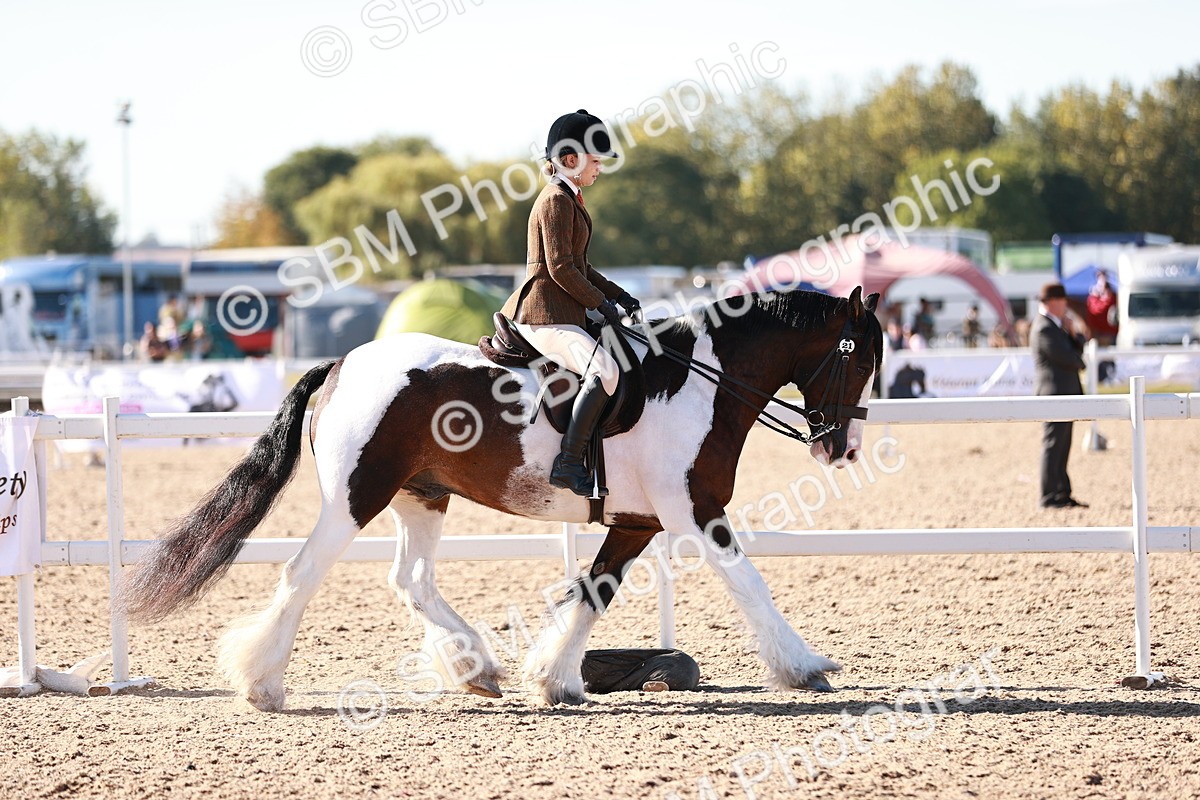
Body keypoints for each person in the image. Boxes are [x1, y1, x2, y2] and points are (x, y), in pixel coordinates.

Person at [499, 109, 641, 496]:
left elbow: (581, 266)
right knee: (606, 371)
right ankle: (568, 461)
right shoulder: (556, 201)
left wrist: (616, 295)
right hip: (544, 314)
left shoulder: (570, 197)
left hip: (562, 312)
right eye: (595, 161)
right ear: (570, 159)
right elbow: (561, 268)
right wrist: (600, 304)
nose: (599, 169)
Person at [1030, 283, 1088, 509]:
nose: (1065, 305)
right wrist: (1079, 359)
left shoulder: (1057, 326)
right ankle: (1048, 495)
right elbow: (1070, 359)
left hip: (1064, 393)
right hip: (1054, 394)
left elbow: (1078, 349)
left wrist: (1072, 333)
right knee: (1054, 444)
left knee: (1063, 444)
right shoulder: (1044, 328)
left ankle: (1061, 491)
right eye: (1063, 301)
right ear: (1053, 302)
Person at [1086, 270, 1119, 346]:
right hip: (1097, 335)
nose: (1101, 282)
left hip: (1110, 336)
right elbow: (1092, 312)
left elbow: (1101, 310)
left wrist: (1095, 297)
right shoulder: (1094, 298)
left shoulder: (1112, 298)